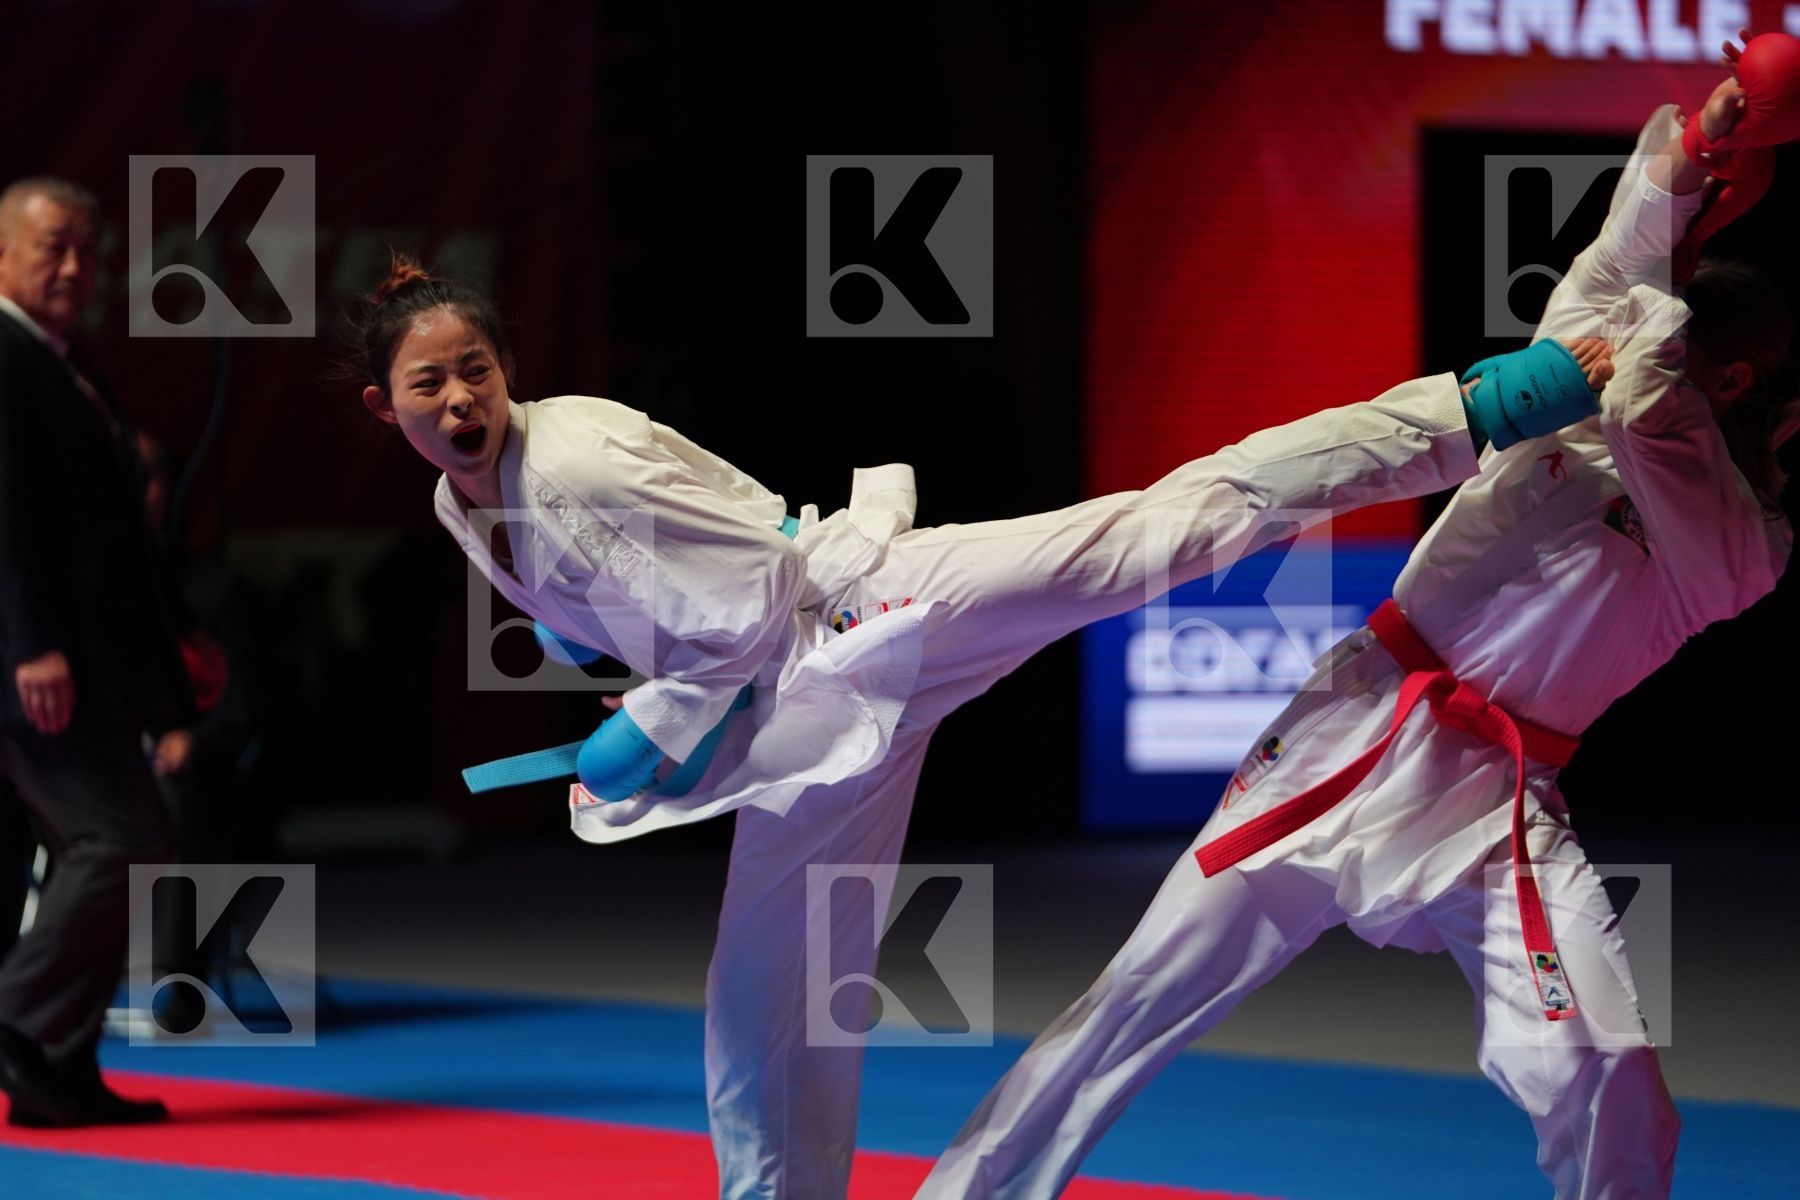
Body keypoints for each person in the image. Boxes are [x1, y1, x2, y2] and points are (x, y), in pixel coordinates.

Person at [354, 252, 1610, 1196]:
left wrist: (649, 713)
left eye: (478, 369)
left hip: (868, 612)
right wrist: (610, 649)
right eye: (432, 384)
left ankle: (1486, 403)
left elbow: (741, 615)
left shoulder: (569, 464)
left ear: (506, 367)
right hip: (801, 730)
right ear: (385, 407)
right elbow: (641, 601)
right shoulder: (466, 502)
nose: (463, 396)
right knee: (768, 987)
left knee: (1164, 525)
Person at [916, 47, 1798, 1200]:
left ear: (1728, 384)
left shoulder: (1739, 544)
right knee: (1127, 1004)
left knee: (1605, 1063)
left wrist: (1659, 277)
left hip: (1498, 804)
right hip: (1350, 726)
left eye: (1676, 339)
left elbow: (1645, 396)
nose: (1640, 334)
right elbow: (1613, 269)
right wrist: (1695, 159)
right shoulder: (1602, 362)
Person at [0, 177, 190, 1127]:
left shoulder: (63, 361)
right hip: (35, 667)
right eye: (52, 247)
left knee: (108, 838)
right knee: (121, 836)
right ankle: (21, 1019)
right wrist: (29, 643)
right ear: (3, 253)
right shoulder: (2, 352)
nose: (74, 265)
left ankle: (55, 1072)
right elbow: (8, 516)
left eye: (86, 250)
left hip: (86, 663)